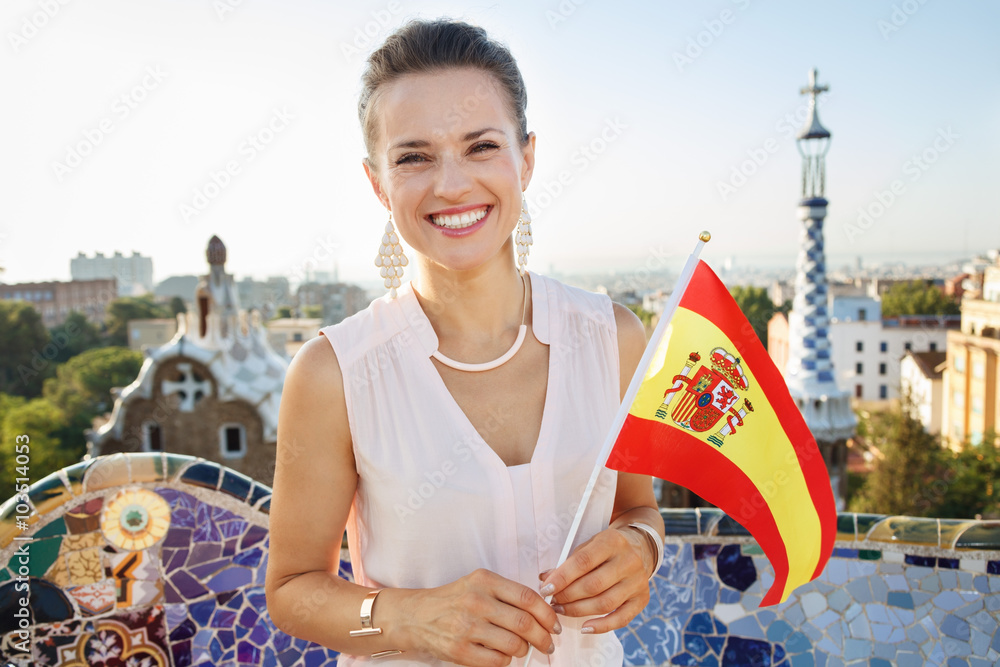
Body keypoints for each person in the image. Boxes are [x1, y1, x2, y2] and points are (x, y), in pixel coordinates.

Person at [265, 18, 665, 667]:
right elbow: (291, 592)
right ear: (377, 182)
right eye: (414, 156)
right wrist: (405, 616)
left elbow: (638, 508)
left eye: (480, 145)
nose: (451, 184)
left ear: (526, 158)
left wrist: (640, 549)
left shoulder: (614, 338)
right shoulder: (333, 373)